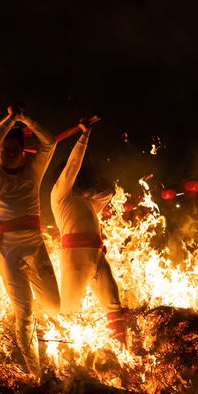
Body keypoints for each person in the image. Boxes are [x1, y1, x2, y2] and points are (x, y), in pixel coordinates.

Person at [0, 104, 61, 375]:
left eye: (16, 149)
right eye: (6, 150)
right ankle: (36, 375)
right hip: (9, 253)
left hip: (36, 248)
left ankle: (35, 316)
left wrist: (27, 118)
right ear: (0, 155)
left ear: (24, 154)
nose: (11, 153)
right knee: (24, 315)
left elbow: (49, 142)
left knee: (53, 305)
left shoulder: (32, 175)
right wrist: (9, 119)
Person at [50, 119, 127, 346]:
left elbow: (107, 193)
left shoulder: (84, 201)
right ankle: (62, 366)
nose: (76, 178)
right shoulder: (60, 194)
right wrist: (84, 137)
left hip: (97, 254)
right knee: (68, 310)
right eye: (73, 176)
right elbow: (73, 165)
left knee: (113, 304)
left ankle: (124, 353)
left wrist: (90, 191)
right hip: (75, 256)